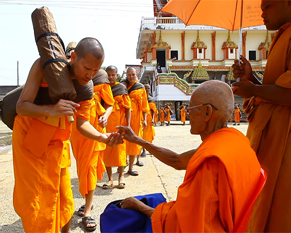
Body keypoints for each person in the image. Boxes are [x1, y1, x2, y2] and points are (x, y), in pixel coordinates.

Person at [117, 80, 262, 232]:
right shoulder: (235, 140)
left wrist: (139, 207)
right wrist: (137, 140)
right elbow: (177, 160)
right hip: (243, 224)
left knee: (119, 217)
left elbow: (188, 225)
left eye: (191, 108)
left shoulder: (211, 163)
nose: (187, 113)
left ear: (207, 113)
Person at [12, 37, 122, 233]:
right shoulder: (44, 67)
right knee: (37, 203)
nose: (90, 75)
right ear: (73, 57)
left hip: (57, 145)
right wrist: (51, 110)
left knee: (63, 199)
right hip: (31, 142)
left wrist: (101, 137)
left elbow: (82, 124)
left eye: (96, 71)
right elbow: (21, 106)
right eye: (87, 68)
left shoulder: (86, 88)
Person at [231, 1, 291, 231]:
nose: (262, 13)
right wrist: (252, 78)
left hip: (285, 139)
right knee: (262, 200)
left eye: (268, 6)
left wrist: (254, 90)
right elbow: (277, 89)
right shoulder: (282, 35)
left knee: (280, 208)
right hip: (271, 134)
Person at [70, 67, 114, 230]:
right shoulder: (70, 77)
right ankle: (87, 203)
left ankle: (88, 210)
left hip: (95, 127)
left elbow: (110, 103)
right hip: (76, 129)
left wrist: (106, 116)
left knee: (90, 167)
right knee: (82, 167)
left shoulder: (101, 77)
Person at [103, 65, 131, 189]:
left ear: (117, 75)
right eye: (108, 74)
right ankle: (110, 179)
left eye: (113, 74)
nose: (111, 77)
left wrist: (128, 124)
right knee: (106, 151)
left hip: (119, 124)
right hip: (105, 125)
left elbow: (128, 108)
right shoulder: (103, 88)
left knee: (120, 150)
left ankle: (121, 176)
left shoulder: (121, 88)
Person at [122, 67, 149, 176]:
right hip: (123, 116)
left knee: (133, 141)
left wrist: (145, 119)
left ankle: (131, 167)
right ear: (127, 76)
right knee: (122, 141)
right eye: (129, 75)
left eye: (133, 74)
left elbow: (144, 105)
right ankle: (122, 163)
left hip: (137, 118)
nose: (131, 76)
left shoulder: (140, 87)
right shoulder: (122, 86)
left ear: (136, 74)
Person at [140, 84, 157, 158]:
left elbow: (153, 111)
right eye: (145, 88)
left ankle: (149, 149)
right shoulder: (141, 97)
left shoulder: (151, 99)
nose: (147, 89)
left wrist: (153, 119)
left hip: (149, 118)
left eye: (148, 88)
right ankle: (143, 150)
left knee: (148, 135)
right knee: (142, 135)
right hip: (142, 118)